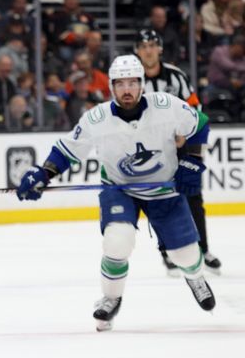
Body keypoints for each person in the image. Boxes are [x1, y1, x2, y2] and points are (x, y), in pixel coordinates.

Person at [16, 55, 216, 332]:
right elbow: (66, 151)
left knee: (185, 255)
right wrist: (42, 173)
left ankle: (195, 277)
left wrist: (192, 160)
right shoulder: (97, 119)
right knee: (117, 242)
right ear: (111, 87)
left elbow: (200, 124)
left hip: (163, 189)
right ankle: (110, 298)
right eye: (120, 83)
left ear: (142, 84)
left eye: (133, 82)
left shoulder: (166, 106)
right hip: (119, 189)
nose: (127, 89)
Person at [135, 28, 222, 275]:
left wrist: (185, 134)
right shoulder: (133, 79)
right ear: (138, 51)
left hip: (180, 146)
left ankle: (203, 250)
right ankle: (168, 253)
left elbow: (194, 107)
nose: (148, 50)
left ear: (160, 48)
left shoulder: (175, 76)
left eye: (152, 45)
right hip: (151, 152)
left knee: (193, 195)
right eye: (143, 46)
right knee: (159, 200)